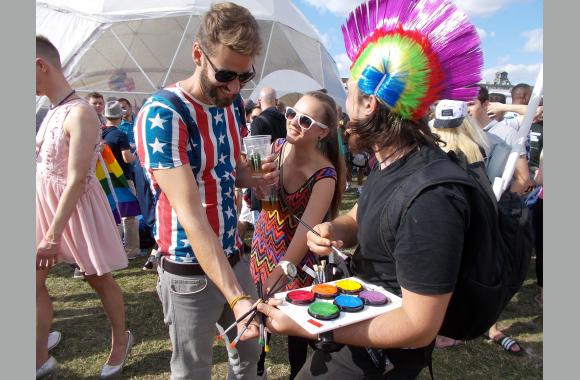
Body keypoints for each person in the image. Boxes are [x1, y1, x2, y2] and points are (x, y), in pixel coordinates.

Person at [257, 0, 484, 377]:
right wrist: (335, 228)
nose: (345, 99)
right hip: (361, 323)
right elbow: (361, 217)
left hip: (386, 353)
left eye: (348, 88)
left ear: (368, 103)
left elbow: (419, 324)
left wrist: (310, 325)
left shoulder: (431, 197)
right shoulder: (390, 163)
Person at [134, 3, 277, 379]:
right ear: (198, 55)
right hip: (188, 273)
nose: (234, 87)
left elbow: (229, 172)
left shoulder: (229, 105)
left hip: (232, 257)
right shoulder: (164, 114)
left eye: (245, 77)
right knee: (194, 369)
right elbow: (192, 217)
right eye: (226, 74)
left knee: (250, 357)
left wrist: (252, 178)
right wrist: (238, 297)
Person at [36, 35, 132, 379]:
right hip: (45, 204)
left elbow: (76, 179)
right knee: (31, 281)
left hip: (73, 208)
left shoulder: (80, 113)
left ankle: (120, 338)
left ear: (40, 65)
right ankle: (37, 353)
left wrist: (52, 234)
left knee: (97, 278)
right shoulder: (51, 110)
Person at [250, 91, 344, 379]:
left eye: (305, 120)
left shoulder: (324, 174)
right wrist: (257, 186)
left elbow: (306, 231)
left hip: (296, 261)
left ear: (323, 132)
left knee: (297, 329)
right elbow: (261, 198)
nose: (293, 122)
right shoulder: (276, 147)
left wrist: (281, 272)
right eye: (291, 113)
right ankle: (258, 369)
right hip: (262, 247)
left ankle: (296, 374)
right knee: (259, 320)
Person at [468, 86, 534, 195]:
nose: (465, 109)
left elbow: (523, 179)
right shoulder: (460, 133)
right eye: (462, 105)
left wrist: (496, 205)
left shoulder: (508, 134)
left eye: (471, 104)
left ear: (485, 104)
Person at [102, 100, 141, 259]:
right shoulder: (120, 134)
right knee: (129, 216)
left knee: (112, 215)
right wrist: (137, 154)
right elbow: (127, 158)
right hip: (123, 179)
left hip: (106, 179)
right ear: (120, 116)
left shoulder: (101, 132)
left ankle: (113, 251)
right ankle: (131, 250)